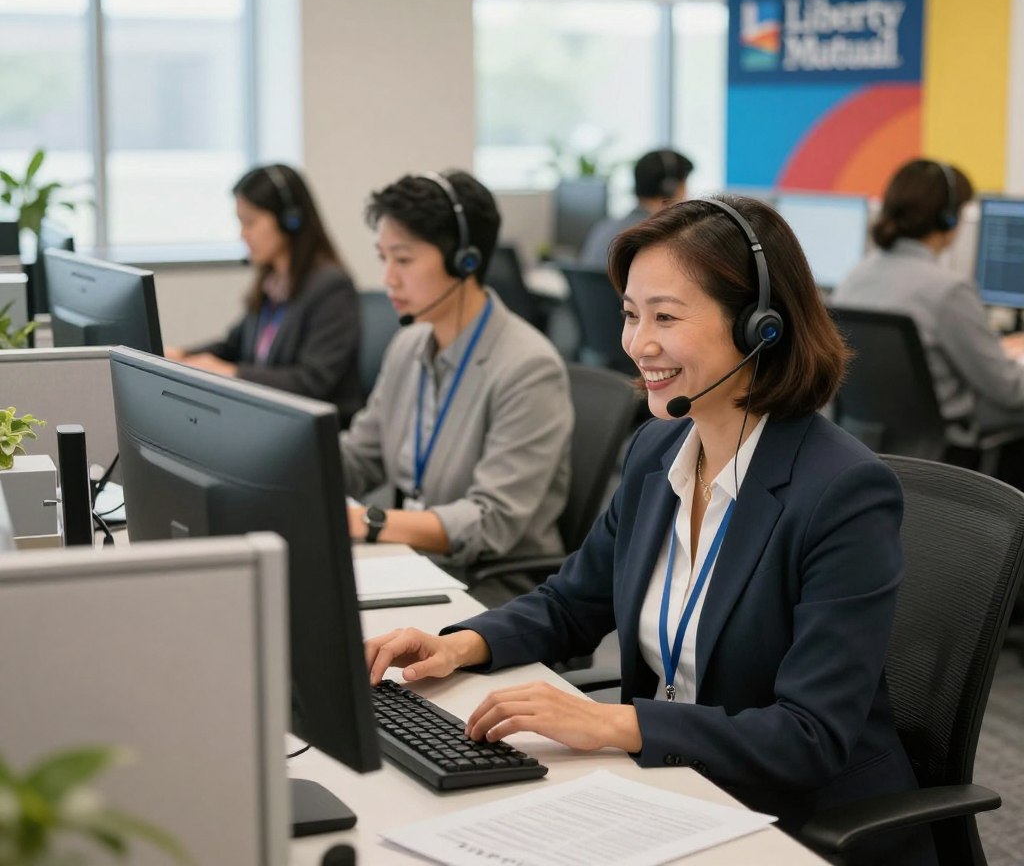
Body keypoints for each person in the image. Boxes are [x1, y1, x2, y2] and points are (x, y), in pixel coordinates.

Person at [364, 195, 937, 866]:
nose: (638, 344)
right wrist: (457, 645)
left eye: (666, 316)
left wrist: (614, 722)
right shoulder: (656, 454)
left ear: (760, 328)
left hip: (795, 824)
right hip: (666, 791)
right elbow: (572, 602)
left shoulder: (841, 493)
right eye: (632, 315)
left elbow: (808, 736)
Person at [342, 170, 573, 607]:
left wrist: (368, 522)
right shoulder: (409, 344)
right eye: (383, 258)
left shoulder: (528, 366)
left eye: (404, 260)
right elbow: (360, 457)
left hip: (494, 588)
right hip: (418, 562)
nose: (388, 277)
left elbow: (491, 521)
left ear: (465, 260)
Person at [832, 159, 1024, 448]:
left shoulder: (852, 279)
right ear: (949, 218)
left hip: (871, 446)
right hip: (944, 446)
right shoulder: (949, 291)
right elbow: (1009, 390)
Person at [166, 163, 363, 426]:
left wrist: (232, 372)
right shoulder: (272, 282)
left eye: (251, 222)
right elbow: (233, 346)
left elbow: (311, 381)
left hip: (317, 433)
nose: (243, 234)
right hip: (270, 422)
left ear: (289, 219)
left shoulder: (331, 287)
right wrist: (182, 355)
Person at [579, 148, 693, 268]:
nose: (687, 193)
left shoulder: (603, 229)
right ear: (669, 188)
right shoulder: (661, 238)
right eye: (685, 185)